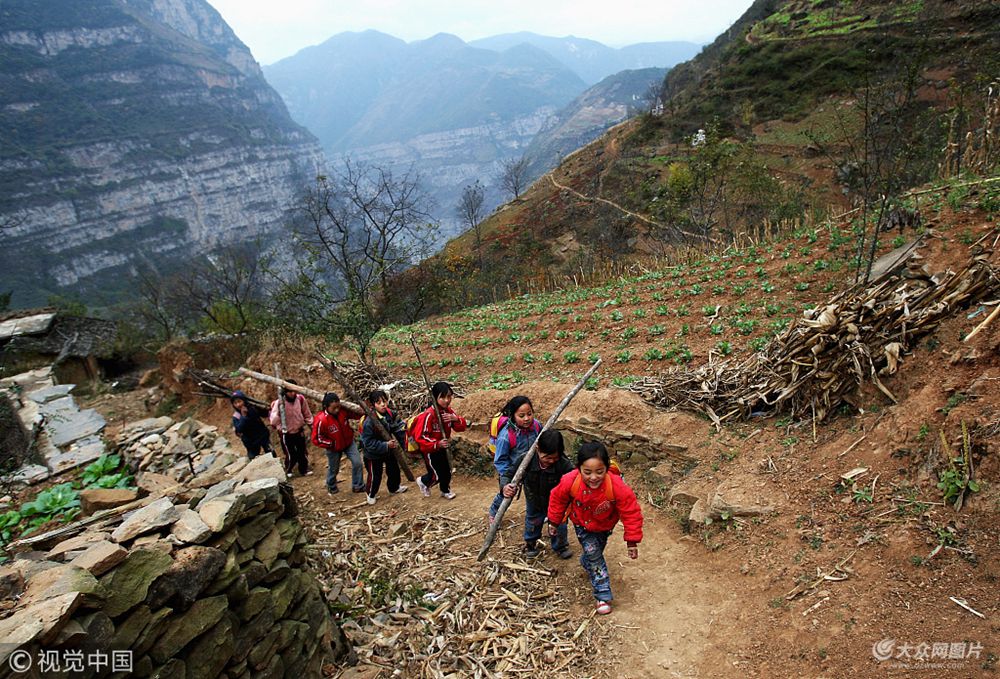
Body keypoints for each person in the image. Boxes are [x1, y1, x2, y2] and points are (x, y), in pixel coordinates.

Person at [547, 441, 643, 615]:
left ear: (607, 468)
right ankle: (603, 594)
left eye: (599, 472)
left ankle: (587, 561)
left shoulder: (616, 486)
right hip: (582, 525)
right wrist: (554, 522)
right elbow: (557, 498)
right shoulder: (570, 480)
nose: (593, 477)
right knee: (595, 556)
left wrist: (632, 541)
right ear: (578, 468)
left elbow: (631, 511)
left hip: (605, 527)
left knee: (594, 552)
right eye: (587, 472)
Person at [504, 429, 574, 559]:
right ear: (537, 449)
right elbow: (508, 474)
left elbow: (574, 479)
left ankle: (560, 546)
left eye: (555, 458)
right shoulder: (525, 460)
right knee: (533, 521)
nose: (551, 461)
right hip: (534, 499)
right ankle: (530, 544)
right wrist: (505, 486)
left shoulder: (563, 464)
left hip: (557, 503)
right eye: (547, 457)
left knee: (559, 524)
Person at [487, 395, 542, 523]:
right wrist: (507, 479)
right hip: (513, 470)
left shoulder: (536, 426)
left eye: (529, 414)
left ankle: (538, 513)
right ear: (513, 416)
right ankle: (494, 512)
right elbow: (500, 460)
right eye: (521, 416)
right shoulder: (506, 436)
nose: (527, 418)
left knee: (537, 491)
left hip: (532, 467)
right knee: (506, 493)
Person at [414, 381, 467, 499]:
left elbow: (461, 428)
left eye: (449, 396)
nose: (447, 400)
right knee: (436, 475)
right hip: (431, 450)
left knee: (447, 470)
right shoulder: (428, 415)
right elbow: (420, 437)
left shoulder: (449, 412)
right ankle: (423, 481)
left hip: (444, 446)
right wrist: (437, 444)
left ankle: (445, 490)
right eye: (442, 397)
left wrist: (456, 419)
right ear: (434, 398)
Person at [359, 389, 409, 505]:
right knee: (375, 475)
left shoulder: (390, 414)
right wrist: (385, 445)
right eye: (379, 402)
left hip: (388, 449)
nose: (383, 404)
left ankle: (394, 488)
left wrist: (405, 441)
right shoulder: (369, 422)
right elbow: (368, 443)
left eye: (384, 401)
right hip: (373, 454)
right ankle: (370, 493)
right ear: (373, 405)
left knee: (394, 470)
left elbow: (397, 427)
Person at [311, 392, 363, 494]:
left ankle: (358, 485)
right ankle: (331, 485)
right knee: (334, 468)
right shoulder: (321, 420)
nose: (337, 410)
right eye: (333, 408)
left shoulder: (343, 412)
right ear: (326, 407)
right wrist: (331, 444)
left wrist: (363, 410)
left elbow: (355, 414)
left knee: (357, 462)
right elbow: (316, 438)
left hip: (348, 443)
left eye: (338, 407)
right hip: (333, 448)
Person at [269, 379, 313, 477]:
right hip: (286, 433)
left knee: (302, 451)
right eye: (290, 391)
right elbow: (273, 421)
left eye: (294, 391)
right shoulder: (279, 403)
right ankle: (289, 470)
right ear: (285, 392)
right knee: (290, 453)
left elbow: (307, 414)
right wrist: (280, 411)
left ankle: (304, 470)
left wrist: (311, 425)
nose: (292, 394)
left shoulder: (300, 399)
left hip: (299, 430)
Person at [230, 390, 275, 460]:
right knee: (253, 458)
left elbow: (264, 414)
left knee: (271, 454)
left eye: (239, 401)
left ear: (244, 400)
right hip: (250, 441)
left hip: (262, 435)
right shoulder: (236, 416)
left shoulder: (252, 407)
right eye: (235, 403)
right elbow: (239, 429)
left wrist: (268, 409)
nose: (238, 405)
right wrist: (243, 416)